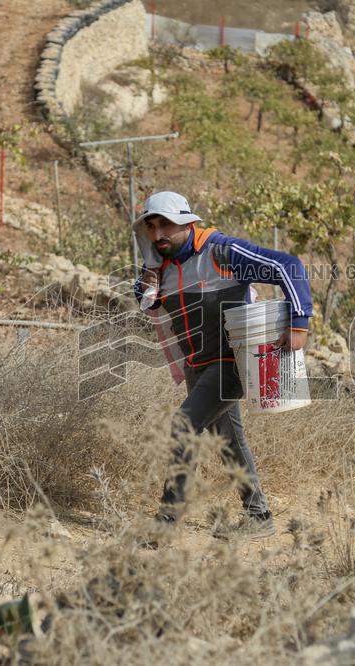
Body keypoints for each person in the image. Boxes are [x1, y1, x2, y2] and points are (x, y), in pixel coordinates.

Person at [131, 191, 312, 541]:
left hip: (233, 361)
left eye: (165, 224)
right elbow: (146, 303)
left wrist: (298, 323)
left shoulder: (220, 252)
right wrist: (147, 279)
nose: (158, 234)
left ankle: (165, 524)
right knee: (230, 440)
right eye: (151, 227)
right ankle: (259, 517)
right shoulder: (160, 266)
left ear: (187, 223)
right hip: (196, 364)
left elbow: (288, 266)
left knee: (183, 426)